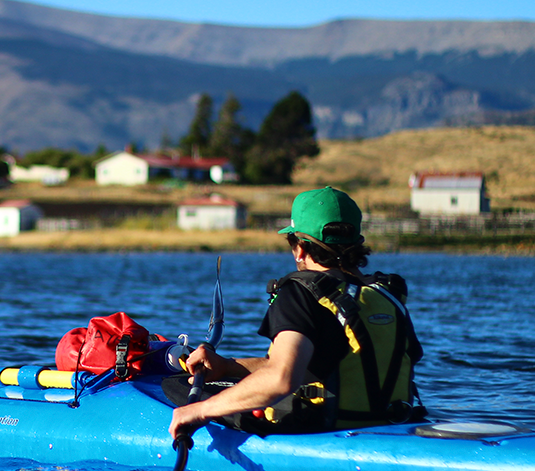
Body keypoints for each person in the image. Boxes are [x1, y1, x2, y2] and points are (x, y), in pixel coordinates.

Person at [168, 186, 424, 437]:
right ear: (357, 243)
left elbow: (281, 378)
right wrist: (227, 367)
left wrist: (200, 411)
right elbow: (301, 366)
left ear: (300, 247)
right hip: (390, 425)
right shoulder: (387, 295)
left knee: (175, 387)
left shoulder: (300, 292)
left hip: (323, 430)